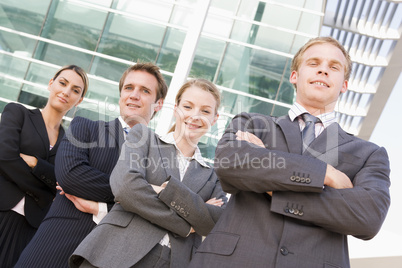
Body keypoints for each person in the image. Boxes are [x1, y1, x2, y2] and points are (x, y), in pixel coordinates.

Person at [188, 37, 391, 268]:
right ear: (294, 76)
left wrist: (268, 177)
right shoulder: (252, 123)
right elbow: (230, 163)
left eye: (334, 67)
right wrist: (325, 174)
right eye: (314, 63)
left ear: (344, 85)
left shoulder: (369, 154)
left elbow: (368, 218)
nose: (323, 70)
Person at [15, 62, 168, 268]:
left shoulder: (163, 158)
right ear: (121, 94)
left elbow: (157, 211)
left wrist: (101, 207)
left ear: (158, 104)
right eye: (129, 88)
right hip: (52, 250)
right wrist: (141, 191)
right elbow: (70, 176)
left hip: (111, 259)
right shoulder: (85, 128)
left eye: (145, 90)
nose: (134, 95)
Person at [69, 78, 228, 268]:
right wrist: (188, 224)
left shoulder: (213, 177)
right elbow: (126, 188)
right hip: (116, 252)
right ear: (176, 108)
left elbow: (215, 222)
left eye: (205, 111)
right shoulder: (143, 138)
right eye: (188, 106)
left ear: (215, 119)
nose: (195, 116)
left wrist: (163, 191)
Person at [0, 65, 88, 267]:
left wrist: (36, 163)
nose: (66, 92)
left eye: (75, 90)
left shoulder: (71, 144)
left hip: (29, 228)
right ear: (51, 83)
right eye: (63, 83)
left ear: (79, 101)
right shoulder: (18, 113)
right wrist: (44, 191)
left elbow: (65, 184)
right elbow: (4, 158)